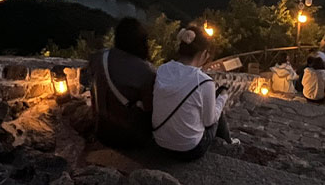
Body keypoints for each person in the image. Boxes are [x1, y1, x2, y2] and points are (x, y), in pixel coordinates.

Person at [152, 26, 239, 161]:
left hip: (160, 143)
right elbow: (209, 121)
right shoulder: (204, 81)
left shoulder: (163, 69)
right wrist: (222, 98)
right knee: (217, 107)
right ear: (203, 53)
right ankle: (228, 142)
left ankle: (228, 141)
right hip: (189, 150)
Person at [88, 17, 156, 149]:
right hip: (130, 139)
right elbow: (150, 108)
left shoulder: (99, 57)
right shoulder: (147, 72)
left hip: (101, 131)